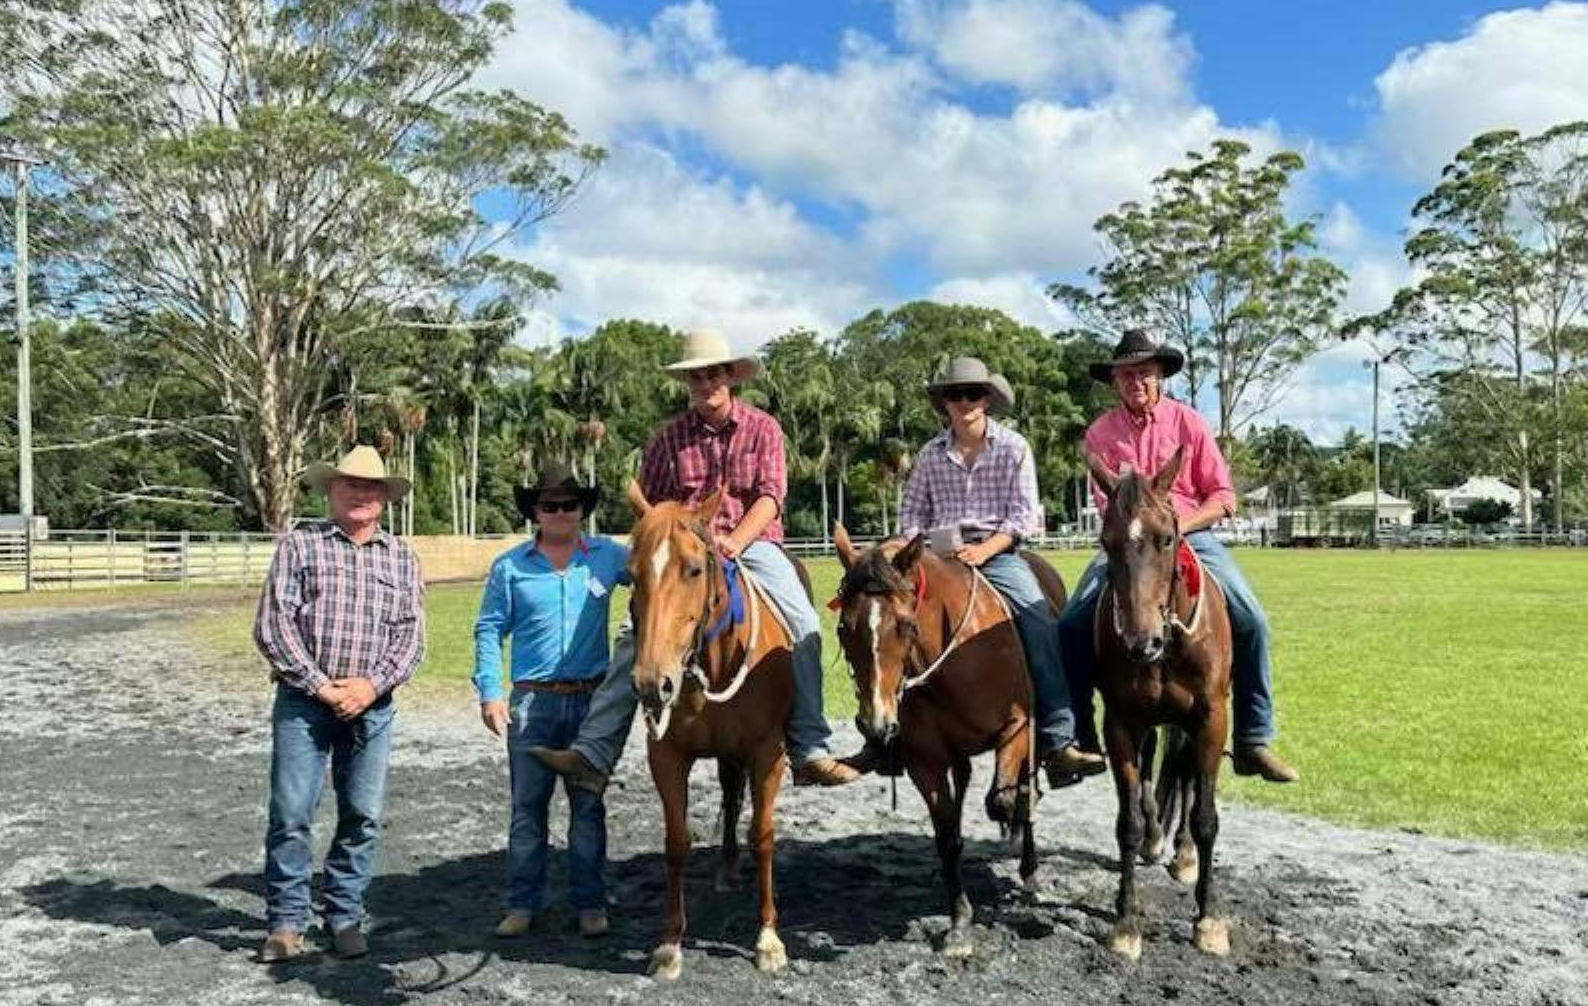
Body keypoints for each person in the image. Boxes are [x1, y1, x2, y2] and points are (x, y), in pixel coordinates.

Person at [532, 327, 862, 792]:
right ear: (688, 384)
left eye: (714, 375)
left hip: (753, 542)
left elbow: (770, 497)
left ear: (731, 377)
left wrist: (735, 541)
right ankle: (595, 751)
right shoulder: (668, 439)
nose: (706, 385)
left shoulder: (763, 428)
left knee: (804, 624)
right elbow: (652, 505)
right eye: (696, 378)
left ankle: (808, 745)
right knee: (634, 633)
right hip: (684, 549)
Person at [850, 355, 1105, 786]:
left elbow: (1024, 517)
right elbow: (912, 513)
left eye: (972, 393)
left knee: (1040, 618)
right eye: (955, 394)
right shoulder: (930, 454)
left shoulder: (1013, 447)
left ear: (986, 399)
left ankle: (1058, 738)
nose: (964, 401)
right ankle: (889, 737)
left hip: (999, 554)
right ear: (944, 403)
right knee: (882, 625)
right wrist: (916, 549)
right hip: (933, 557)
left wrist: (986, 549)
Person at [1057, 329, 1298, 783]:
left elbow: (1224, 496)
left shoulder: (1188, 423)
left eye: (1144, 372)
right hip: (1129, 546)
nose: (1135, 382)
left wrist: (1180, 527)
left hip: (1192, 534)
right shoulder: (1101, 433)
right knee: (1071, 623)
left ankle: (1253, 737)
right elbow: (1110, 504)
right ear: (1115, 381)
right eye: (1126, 374)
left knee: (1252, 618)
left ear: (1160, 376)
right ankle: (1081, 735)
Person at [252, 445, 426, 963]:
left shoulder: (400, 557)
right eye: (350, 484)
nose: (360, 494)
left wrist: (370, 687)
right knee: (291, 812)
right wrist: (321, 685)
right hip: (306, 701)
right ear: (331, 490)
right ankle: (286, 921)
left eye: (370, 487)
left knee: (363, 814)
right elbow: (273, 624)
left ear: (383, 499)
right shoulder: (299, 546)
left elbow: (412, 638)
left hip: (372, 704)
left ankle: (344, 914)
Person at [472, 464, 626, 940]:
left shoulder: (610, 557)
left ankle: (590, 903)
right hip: (532, 703)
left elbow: (664, 580)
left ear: (583, 509)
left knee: (588, 807)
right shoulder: (511, 566)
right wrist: (490, 692)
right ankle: (521, 903)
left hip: (591, 703)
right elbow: (489, 628)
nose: (560, 513)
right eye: (549, 505)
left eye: (569, 505)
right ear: (534, 512)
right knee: (527, 808)